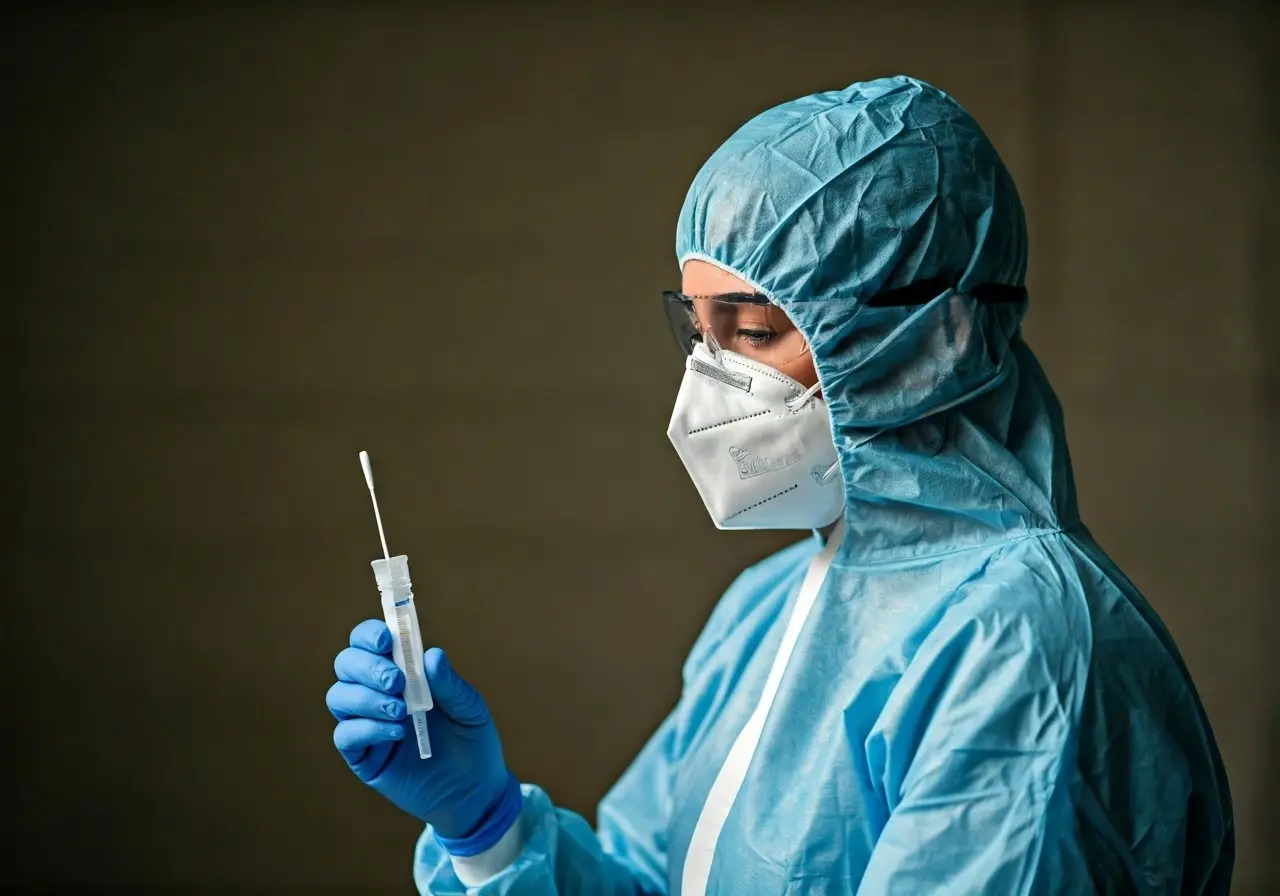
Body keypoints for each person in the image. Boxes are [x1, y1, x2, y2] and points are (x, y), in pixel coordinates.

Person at [325, 75, 1234, 894]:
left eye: (753, 331)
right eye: (697, 333)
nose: (707, 382)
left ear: (940, 337)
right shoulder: (765, 613)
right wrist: (486, 830)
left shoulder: (1025, 649)